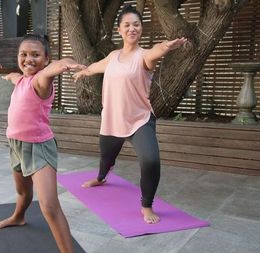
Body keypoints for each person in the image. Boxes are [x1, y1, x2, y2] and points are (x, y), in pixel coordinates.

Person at [73, 5, 187, 224]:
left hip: (139, 120)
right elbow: (96, 66)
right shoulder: (113, 56)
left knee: (151, 161)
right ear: (119, 30)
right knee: (106, 159)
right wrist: (84, 72)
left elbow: (156, 51)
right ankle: (100, 177)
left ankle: (146, 206)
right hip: (113, 120)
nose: (132, 28)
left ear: (141, 29)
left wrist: (166, 46)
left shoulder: (144, 56)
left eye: (136, 24)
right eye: (127, 25)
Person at [0, 34, 85, 253]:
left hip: (39, 148)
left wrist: (67, 64)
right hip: (16, 144)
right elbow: (15, 76)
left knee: (49, 207)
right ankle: (18, 217)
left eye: (35, 55)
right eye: (23, 54)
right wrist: (9, 76)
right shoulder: (21, 79)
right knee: (23, 192)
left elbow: (55, 68)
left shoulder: (41, 80)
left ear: (46, 59)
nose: (28, 59)